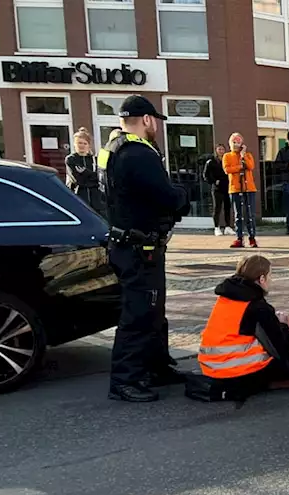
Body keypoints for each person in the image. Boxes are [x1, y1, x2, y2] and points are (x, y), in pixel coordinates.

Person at [97, 95, 190, 402]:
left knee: (152, 311)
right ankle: (126, 379)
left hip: (130, 241)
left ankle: (155, 367)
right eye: (155, 123)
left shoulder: (112, 148)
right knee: (139, 313)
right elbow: (164, 195)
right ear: (148, 120)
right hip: (139, 245)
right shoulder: (138, 153)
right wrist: (182, 195)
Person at [196, 255, 289, 398]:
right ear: (262, 279)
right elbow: (281, 351)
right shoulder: (258, 307)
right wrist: (282, 324)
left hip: (209, 368)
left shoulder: (225, 298)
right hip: (238, 373)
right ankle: (269, 383)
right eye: (270, 276)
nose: (272, 280)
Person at [223, 133, 258, 249]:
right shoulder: (227, 156)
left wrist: (243, 156)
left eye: (238, 142)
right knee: (238, 215)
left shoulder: (247, 155)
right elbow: (227, 169)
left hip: (249, 188)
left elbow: (251, 166)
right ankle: (239, 238)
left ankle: (252, 237)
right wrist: (239, 167)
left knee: (250, 214)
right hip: (235, 188)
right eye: (234, 142)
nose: (236, 144)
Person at [64, 128, 104, 214]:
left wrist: (86, 172)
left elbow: (99, 178)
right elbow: (77, 180)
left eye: (84, 143)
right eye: (79, 143)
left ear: (89, 145)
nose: (82, 145)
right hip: (79, 198)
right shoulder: (71, 159)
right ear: (74, 144)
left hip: (95, 200)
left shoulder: (95, 159)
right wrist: (92, 177)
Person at [204, 144, 234, 237]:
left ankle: (228, 227)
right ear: (216, 150)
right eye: (219, 149)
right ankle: (216, 227)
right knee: (217, 208)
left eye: (222, 149)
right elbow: (205, 175)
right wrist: (214, 181)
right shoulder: (211, 162)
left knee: (227, 208)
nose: (221, 151)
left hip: (227, 187)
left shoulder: (227, 160)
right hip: (217, 188)